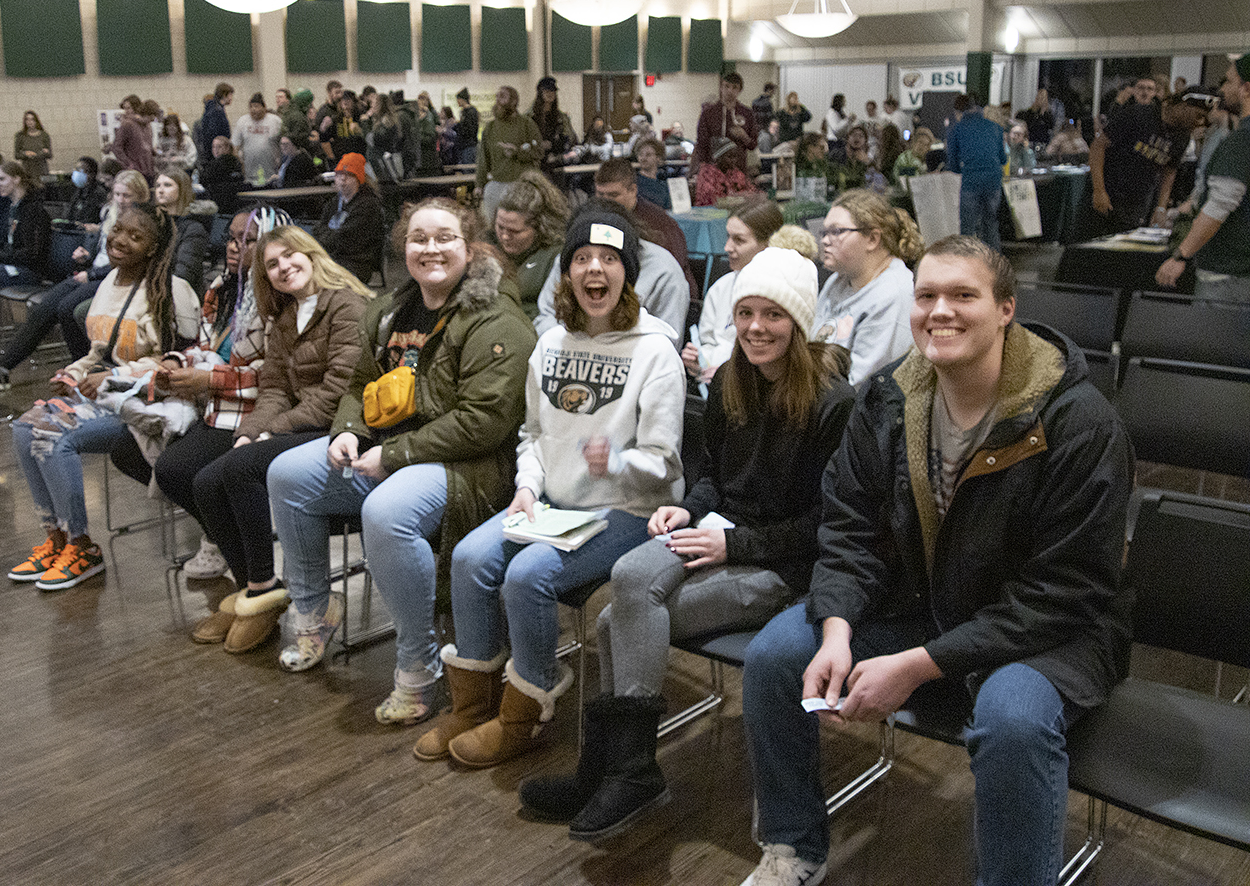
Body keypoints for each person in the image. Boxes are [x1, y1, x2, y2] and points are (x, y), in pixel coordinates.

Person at [737, 234, 1132, 886]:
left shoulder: (1077, 421)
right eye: (926, 296)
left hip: (1048, 633)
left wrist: (919, 666)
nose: (939, 311)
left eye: (962, 295)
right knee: (779, 654)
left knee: (1013, 723)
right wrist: (837, 626)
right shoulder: (890, 398)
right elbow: (850, 526)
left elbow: (1067, 591)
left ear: (1006, 308)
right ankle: (792, 846)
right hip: (927, 604)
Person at [518, 247, 855, 842]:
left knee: (609, 626)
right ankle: (617, 770)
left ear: (800, 323)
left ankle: (622, 769)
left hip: (785, 564)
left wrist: (735, 546)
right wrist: (688, 506)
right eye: (745, 312)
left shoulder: (835, 403)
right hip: (721, 530)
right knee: (628, 579)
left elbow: (827, 526)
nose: (754, 328)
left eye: (773, 315)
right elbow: (712, 476)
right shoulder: (732, 379)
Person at [421, 207, 685, 766]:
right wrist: (526, 487)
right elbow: (533, 434)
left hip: (630, 511)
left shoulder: (656, 351)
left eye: (610, 260)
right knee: (469, 557)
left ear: (627, 273)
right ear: (567, 273)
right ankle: (473, 704)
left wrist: (616, 461)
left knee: (527, 574)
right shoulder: (552, 345)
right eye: (583, 258)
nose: (595, 270)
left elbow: (664, 464)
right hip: (553, 506)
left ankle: (528, 708)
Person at [265, 197, 534, 724]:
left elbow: (484, 423)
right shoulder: (390, 309)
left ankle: (419, 663)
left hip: (472, 467)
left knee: (386, 512)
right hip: (391, 453)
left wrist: (393, 455)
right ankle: (316, 612)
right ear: (402, 247)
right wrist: (347, 430)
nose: (430, 248)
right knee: (287, 474)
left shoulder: (496, 318)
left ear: (468, 244)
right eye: (418, 239)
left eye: (444, 238)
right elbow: (359, 383)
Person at [173, 224, 374, 650]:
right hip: (304, 423)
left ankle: (263, 590)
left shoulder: (345, 305)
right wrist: (250, 432)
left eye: (290, 256)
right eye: (272, 265)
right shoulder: (284, 317)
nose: (284, 268)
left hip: (342, 427)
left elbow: (339, 390)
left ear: (311, 254)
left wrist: (270, 432)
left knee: (242, 469)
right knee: (207, 480)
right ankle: (257, 587)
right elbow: (274, 389)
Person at [5, 203, 200, 591]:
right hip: (109, 391)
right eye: (118, 230)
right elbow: (98, 350)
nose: (120, 240)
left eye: (135, 236)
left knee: (52, 436)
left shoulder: (171, 291)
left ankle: (82, 547)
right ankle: (56, 536)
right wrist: (74, 373)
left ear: (153, 247)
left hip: (151, 400)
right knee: (25, 428)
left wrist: (112, 375)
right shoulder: (110, 282)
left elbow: (177, 363)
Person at [0, 171, 153, 387]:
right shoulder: (110, 213)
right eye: (117, 194)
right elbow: (102, 250)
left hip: (118, 276)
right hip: (95, 271)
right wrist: (85, 256)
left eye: (126, 195)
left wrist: (90, 274)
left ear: (139, 196)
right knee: (45, 307)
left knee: (67, 308)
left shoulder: (145, 220)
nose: (120, 200)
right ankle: (3, 367)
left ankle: (81, 368)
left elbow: (131, 259)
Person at [536, 199, 690, 346]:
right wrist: (580, 345)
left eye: (609, 257)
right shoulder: (566, 260)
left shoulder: (664, 270)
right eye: (583, 257)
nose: (594, 267)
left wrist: (607, 349)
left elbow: (669, 341)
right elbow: (545, 319)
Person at [1157, 58, 1250, 301]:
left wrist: (1182, 255)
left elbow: (1220, 205)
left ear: (1247, 89)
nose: (1222, 90)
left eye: (1230, 81)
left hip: (1228, 272)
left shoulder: (1241, 141)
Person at [812, 188, 923, 386]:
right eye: (824, 232)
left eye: (836, 232)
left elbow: (862, 385)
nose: (824, 240)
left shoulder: (894, 295)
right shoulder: (837, 281)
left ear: (872, 239)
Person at [1082, 84, 1209, 240]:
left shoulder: (1182, 136)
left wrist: (1161, 207)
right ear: (1184, 106)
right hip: (1109, 190)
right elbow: (1098, 146)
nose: (1200, 122)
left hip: (1137, 202)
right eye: (1198, 115)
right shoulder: (1139, 114)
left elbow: (1169, 171)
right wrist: (1099, 190)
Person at [683, 199, 783, 385]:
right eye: (728, 237)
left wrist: (728, 374)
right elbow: (710, 343)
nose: (727, 247)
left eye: (739, 240)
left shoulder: (784, 293)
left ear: (769, 244)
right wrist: (699, 361)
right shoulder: (721, 288)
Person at [593, 158, 697, 299]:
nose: (605, 202)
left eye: (613, 195)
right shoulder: (594, 220)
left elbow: (670, 273)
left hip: (664, 297)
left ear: (633, 190)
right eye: (600, 194)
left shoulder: (660, 224)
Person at [492, 169, 568, 319]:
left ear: (539, 227)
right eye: (500, 227)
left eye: (515, 231)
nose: (505, 236)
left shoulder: (555, 255)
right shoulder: (487, 247)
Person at [945, 93, 1007, 249]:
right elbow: (1003, 159)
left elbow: (952, 161)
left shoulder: (956, 129)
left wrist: (960, 169)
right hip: (993, 181)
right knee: (991, 223)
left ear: (960, 112)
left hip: (971, 181)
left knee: (967, 227)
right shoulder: (996, 128)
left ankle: (967, 262)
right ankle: (994, 261)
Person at [310, 152, 384, 283]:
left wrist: (327, 237)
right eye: (339, 174)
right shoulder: (334, 202)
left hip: (357, 263)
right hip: (332, 257)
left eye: (348, 175)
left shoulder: (368, 205)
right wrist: (329, 237)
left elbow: (346, 239)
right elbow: (318, 229)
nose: (342, 179)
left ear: (358, 178)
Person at [476, 85, 543, 222]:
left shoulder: (526, 124)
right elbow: (483, 159)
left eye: (503, 96)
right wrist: (479, 184)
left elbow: (539, 152)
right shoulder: (490, 128)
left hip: (521, 185)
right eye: (497, 95)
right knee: (493, 225)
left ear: (514, 101)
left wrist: (517, 152)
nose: (498, 99)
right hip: (497, 184)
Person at [0, 161, 53, 289]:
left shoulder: (34, 210)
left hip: (31, 271)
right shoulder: (8, 208)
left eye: (1, 179)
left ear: (16, 179)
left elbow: (32, 254)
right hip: (9, 264)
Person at [154, 166, 214, 295]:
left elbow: (184, 274)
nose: (160, 190)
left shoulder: (194, 228)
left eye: (167, 185)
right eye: (158, 185)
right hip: (154, 288)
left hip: (180, 295)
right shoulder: (154, 223)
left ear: (182, 189)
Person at [692, 72, 757, 177]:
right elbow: (702, 143)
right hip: (713, 170)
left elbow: (753, 144)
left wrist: (744, 137)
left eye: (734, 87)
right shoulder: (709, 113)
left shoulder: (747, 114)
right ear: (721, 87)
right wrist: (703, 168)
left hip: (738, 171)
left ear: (740, 90)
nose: (730, 91)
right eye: (726, 86)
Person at [233, 92, 282, 186]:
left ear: (264, 107)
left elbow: (284, 142)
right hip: (249, 173)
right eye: (251, 107)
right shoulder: (243, 121)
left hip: (271, 172)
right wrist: (239, 164)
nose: (253, 110)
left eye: (256, 106)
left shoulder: (275, 121)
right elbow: (235, 146)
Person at [532, 76, 578, 174]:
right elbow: (523, 141)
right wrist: (539, 145)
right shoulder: (530, 117)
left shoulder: (561, 118)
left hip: (556, 164)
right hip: (535, 164)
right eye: (546, 91)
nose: (550, 94)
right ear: (540, 93)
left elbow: (569, 139)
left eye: (553, 91)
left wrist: (554, 145)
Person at [694, 137, 755, 206]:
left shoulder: (737, 174)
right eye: (729, 157)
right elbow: (709, 199)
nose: (733, 160)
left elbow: (750, 192)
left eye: (735, 156)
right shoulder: (707, 174)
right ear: (718, 158)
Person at [107, 96, 155, 177]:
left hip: (148, 169)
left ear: (137, 108)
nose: (126, 111)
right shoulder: (127, 124)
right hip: (134, 170)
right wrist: (129, 164)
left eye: (129, 108)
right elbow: (117, 147)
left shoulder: (147, 125)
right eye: (125, 108)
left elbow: (147, 146)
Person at [198, 134, 245, 216]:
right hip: (234, 204)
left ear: (227, 148)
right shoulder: (237, 162)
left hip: (219, 202)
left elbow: (203, 180)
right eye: (213, 147)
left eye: (219, 147)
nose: (216, 150)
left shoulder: (219, 163)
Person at [62, 156, 107, 228]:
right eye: (76, 169)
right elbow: (69, 214)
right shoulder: (78, 191)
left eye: (80, 170)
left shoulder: (98, 193)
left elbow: (92, 217)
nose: (77, 173)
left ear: (91, 174)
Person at [198, 83, 234, 170]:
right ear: (224, 95)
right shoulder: (216, 112)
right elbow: (213, 134)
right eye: (230, 95)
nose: (231, 98)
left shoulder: (215, 109)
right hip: (215, 154)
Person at [9, 109, 51, 184]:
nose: (30, 122)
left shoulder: (44, 135)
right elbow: (16, 155)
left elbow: (50, 154)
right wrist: (26, 154)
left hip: (42, 170)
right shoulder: (20, 136)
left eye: (32, 119)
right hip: (27, 171)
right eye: (27, 119)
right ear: (24, 122)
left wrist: (40, 154)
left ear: (36, 121)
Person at [633, 137, 670, 209]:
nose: (643, 158)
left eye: (648, 155)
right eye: (640, 154)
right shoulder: (635, 182)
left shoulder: (664, 184)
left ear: (658, 158)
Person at [454, 88, 480, 163]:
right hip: (466, 145)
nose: (457, 102)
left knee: (468, 169)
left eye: (458, 100)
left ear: (462, 99)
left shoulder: (470, 112)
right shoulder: (466, 112)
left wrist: (458, 126)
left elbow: (469, 129)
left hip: (468, 145)